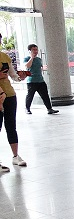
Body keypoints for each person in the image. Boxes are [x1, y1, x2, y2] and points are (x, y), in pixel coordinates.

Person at [0, 33, 27, 170]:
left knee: (11, 125)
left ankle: (15, 156)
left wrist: (19, 77)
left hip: (9, 94)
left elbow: (12, 75)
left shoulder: (5, 57)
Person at [23, 44, 59, 115]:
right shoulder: (27, 58)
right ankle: (27, 109)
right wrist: (32, 58)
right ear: (29, 51)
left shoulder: (39, 59)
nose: (35, 51)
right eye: (33, 50)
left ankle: (49, 109)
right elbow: (27, 66)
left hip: (40, 80)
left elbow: (40, 68)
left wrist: (43, 68)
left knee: (45, 95)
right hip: (31, 81)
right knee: (30, 96)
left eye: (36, 50)